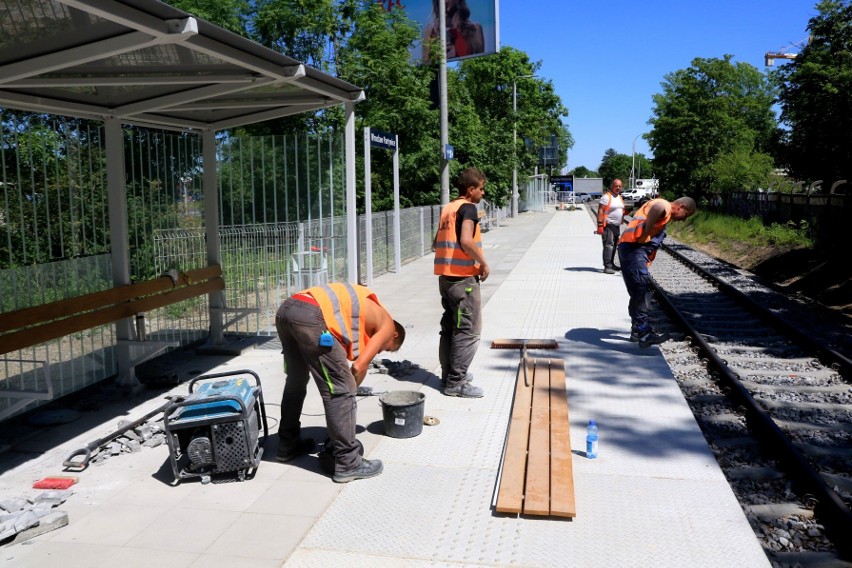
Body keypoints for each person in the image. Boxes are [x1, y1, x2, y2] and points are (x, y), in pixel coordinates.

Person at [274, 282, 405, 482]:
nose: (380, 350)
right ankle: (348, 463)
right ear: (394, 335)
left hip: (287, 310)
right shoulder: (387, 326)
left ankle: (287, 444)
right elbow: (359, 366)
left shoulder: (367, 308)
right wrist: (349, 391)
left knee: (296, 380)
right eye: (387, 348)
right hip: (311, 315)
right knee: (340, 389)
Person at [433, 167, 489, 398]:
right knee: (468, 331)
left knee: (450, 328)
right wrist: (483, 262)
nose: (483, 193)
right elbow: (466, 241)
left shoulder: (448, 208)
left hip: (446, 278)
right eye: (481, 189)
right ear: (471, 189)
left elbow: (436, 242)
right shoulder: (469, 208)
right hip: (463, 280)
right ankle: (456, 382)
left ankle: (450, 374)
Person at [617, 196, 697, 348]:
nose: (683, 220)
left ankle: (637, 331)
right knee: (642, 290)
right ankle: (644, 333)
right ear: (680, 207)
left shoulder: (663, 213)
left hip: (629, 248)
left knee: (637, 292)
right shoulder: (664, 206)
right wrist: (646, 232)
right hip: (634, 249)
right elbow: (658, 207)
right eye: (685, 216)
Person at [596, 178, 626, 274]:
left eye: (619, 186)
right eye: (616, 186)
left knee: (614, 246)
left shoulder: (619, 197)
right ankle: (607, 266)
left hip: (616, 225)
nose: (618, 187)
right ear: (612, 186)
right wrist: (600, 225)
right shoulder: (606, 197)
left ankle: (611, 264)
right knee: (608, 245)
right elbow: (600, 210)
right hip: (608, 225)